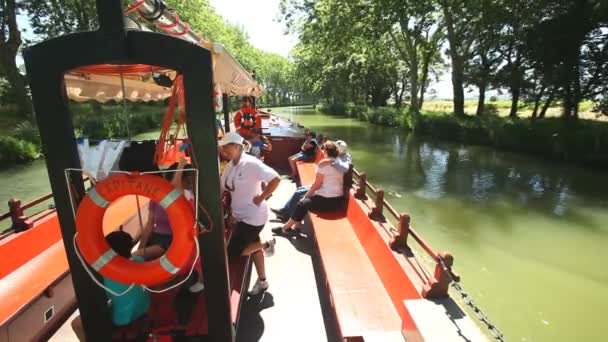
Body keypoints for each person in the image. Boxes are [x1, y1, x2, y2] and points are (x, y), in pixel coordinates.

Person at [219, 132, 280, 295]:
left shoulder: (251, 164)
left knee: (232, 254)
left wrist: (261, 197)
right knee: (252, 246)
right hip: (239, 215)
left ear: (237, 146)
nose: (223, 149)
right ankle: (263, 281)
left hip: (253, 217)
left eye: (226, 146)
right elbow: (222, 187)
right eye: (222, 147)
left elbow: (276, 179)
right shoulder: (231, 165)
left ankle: (268, 244)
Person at [137, 158, 205, 293]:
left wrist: (180, 166)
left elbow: (174, 192)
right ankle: (141, 288)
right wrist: (142, 244)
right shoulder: (156, 199)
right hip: (157, 237)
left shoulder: (186, 197)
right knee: (137, 256)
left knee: (136, 257)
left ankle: (197, 281)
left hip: (171, 241)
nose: (191, 182)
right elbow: (150, 224)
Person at [71, 231, 150, 341]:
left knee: (76, 323)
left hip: (123, 321)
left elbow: (98, 301)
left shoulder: (106, 276)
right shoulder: (139, 261)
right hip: (143, 312)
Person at [273, 141, 345, 235]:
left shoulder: (323, 164)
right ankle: (296, 227)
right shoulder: (339, 163)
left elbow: (317, 185)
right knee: (303, 199)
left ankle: (285, 228)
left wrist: (306, 196)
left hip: (327, 201)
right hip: (337, 200)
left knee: (302, 203)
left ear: (326, 152)